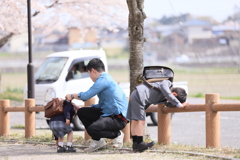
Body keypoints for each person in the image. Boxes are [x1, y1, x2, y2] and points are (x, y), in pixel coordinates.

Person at [65, 58, 129, 152]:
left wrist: (72, 95)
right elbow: (102, 105)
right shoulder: (106, 79)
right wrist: (89, 108)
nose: (90, 76)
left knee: (92, 129)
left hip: (118, 118)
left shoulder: (103, 80)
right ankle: (98, 141)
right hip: (109, 113)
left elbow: (86, 95)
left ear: (93, 71)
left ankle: (117, 135)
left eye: (89, 73)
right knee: (82, 112)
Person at [127, 80, 189, 152]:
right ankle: (140, 143)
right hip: (140, 95)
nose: (170, 100)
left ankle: (135, 144)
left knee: (135, 121)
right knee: (140, 121)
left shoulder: (165, 96)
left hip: (138, 95)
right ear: (174, 94)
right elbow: (165, 90)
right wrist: (179, 104)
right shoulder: (167, 83)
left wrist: (181, 104)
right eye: (173, 99)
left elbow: (168, 104)